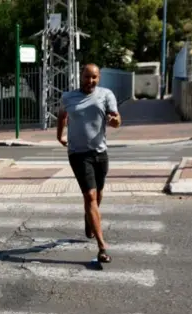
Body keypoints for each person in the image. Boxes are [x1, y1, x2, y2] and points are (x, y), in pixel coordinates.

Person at [56, 63, 122, 263]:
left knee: (98, 194)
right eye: (87, 77)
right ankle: (102, 246)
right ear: (80, 76)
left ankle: (89, 219)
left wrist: (114, 121)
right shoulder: (68, 97)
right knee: (90, 196)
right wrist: (60, 136)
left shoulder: (106, 94)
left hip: (100, 152)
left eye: (94, 77)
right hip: (78, 154)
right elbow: (61, 116)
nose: (90, 81)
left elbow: (117, 118)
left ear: (98, 78)